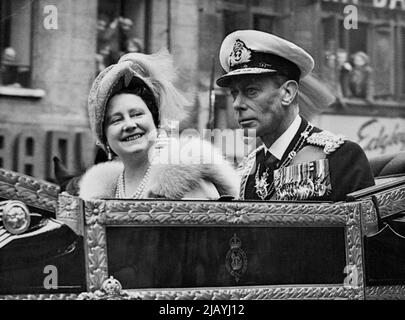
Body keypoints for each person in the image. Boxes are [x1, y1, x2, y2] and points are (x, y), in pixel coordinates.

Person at [216, 30, 375, 202]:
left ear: (287, 93)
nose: (237, 104)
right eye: (234, 94)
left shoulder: (340, 158)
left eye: (251, 91)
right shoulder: (247, 170)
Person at [79, 50, 240, 200]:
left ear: (154, 122)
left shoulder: (188, 184)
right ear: (104, 138)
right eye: (116, 120)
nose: (129, 125)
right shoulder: (100, 195)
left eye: (137, 114)